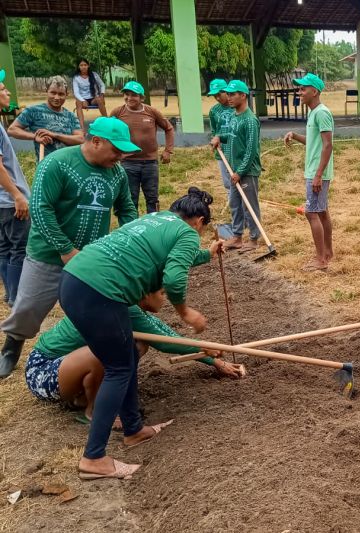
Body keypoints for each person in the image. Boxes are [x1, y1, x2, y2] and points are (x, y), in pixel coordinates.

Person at [60, 187, 224, 480]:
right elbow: (173, 277)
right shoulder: (187, 233)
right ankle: (93, 459)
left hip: (76, 279)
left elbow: (173, 256)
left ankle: (134, 430)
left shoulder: (156, 218)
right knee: (119, 367)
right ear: (199, 221)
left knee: (127, 358)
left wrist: (207, 255)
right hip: (100, 291)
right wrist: (186, 312)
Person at [0, 117, 139, 378]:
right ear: (96, 141)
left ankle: (87, 354)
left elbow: (126, 209)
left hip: (91, 257)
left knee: (94, 309)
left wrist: (132, 240)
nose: (120, 156)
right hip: (49, 254)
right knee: (29, 306)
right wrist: (65, 250)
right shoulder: (57, 164)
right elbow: (40, 210)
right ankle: (12, 345)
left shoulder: (116, 173)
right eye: (116, 150)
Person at [26, 288, 244, 424]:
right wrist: (209, 354)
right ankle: (96, 412)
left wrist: (211, 358)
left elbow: (164, 333)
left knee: (136, 345)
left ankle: (83, 396)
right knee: (101, 354)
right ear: (146, 294)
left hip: (64, 368)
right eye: (161, 293)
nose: (164, 297)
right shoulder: (125, 308)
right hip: (43, 371)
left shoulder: (129, 304)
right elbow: (165, 343)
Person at [284, 73, 334, 271]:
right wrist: (295, 135)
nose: (299, 92)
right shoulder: (313, 113)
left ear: (314, 91)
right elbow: (315, 142)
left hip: (316, 172)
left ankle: (320, 260)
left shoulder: (322, 113)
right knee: (321, 211)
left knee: (311, 213)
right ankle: (328, 252)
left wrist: (318, 175)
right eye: (299, 89)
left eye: (303, 89)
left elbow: (328, 145)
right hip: (315, 171)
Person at [111, 80, 175, 214]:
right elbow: (108, 132)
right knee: (130, 198)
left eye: (133, 95)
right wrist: (112, 154)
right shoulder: (117, 113)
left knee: (152, 198)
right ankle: (131, 228)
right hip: (128, 162)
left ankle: (152, 227)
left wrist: (168, 150)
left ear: (141, 98)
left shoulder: (151, 112)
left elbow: (169, 128)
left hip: (150, 163)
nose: (129, 98)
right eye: (126, 94)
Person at [218, 80, 262, 252]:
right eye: (227, 94)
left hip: (246, 171)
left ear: (243, 96)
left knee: (249, 205)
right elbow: (232, 136)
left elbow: (251, 150)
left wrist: (240, 171)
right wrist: (219, 138)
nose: (228, 97)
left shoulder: (250, 120)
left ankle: (253, 238)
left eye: (232, 94)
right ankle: (237, 236)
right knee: (235, 203)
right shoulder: (234, 116)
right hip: (234, 170)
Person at [0, 69, 30, 310]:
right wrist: (17, 195)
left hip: (2, 201)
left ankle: (10, 293)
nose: (7, 92)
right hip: (9, 201)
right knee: (19, 248)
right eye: (2, 89)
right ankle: (16, 298)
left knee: (5, 248)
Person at [8, 75, 83, 161]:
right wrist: (34, 137)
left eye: (61, 94)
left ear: (67, 94)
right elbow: (12, 129)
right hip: (46, 164)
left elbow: (80, 139)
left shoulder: (71, 116)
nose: (57, 97)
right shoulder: (33, 111)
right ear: (46, 91)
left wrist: (54, 135)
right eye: (53, 93)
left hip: (68, 163)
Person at [207, 79, 240, 229]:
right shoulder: (214, 111)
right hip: (222, 152)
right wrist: (215, 139)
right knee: (228, 185)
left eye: (219, 94)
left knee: (240, 182)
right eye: (215, 95)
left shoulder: (237, 107)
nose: (218, 98)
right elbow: (214, 130)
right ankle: (236, 216)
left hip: (236, 150)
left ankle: (244, 215)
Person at [73, 59, 107, 131]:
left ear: (88, 66)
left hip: (93, 98)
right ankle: (82, 128)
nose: (83, 67)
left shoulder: (94, 75)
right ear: (79, 67)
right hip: (83, 98)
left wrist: (102, 95)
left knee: (99, 99)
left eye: (85, 65)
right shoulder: (76, 78)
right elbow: (76, 93)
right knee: (77, 102)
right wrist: (82, 100)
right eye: (81, 65)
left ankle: (107, 122)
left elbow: (102, 85)